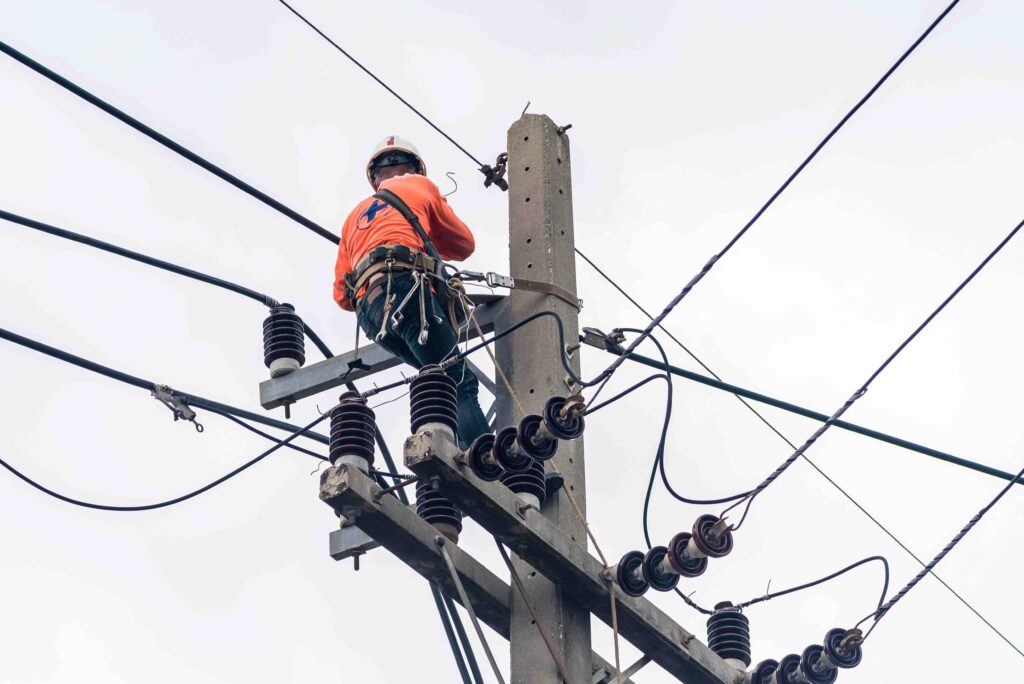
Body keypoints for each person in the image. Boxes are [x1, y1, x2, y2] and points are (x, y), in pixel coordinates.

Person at [333, 136, 491, 448]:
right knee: (457, 380)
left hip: (371, 315)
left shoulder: (354, 216)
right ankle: (497, 468)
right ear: (417, 170)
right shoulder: (420, 186)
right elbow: (464, 244)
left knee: (435, 378)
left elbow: (341, 295)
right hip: (407, 289)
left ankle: (461, 457)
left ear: (374, 178)